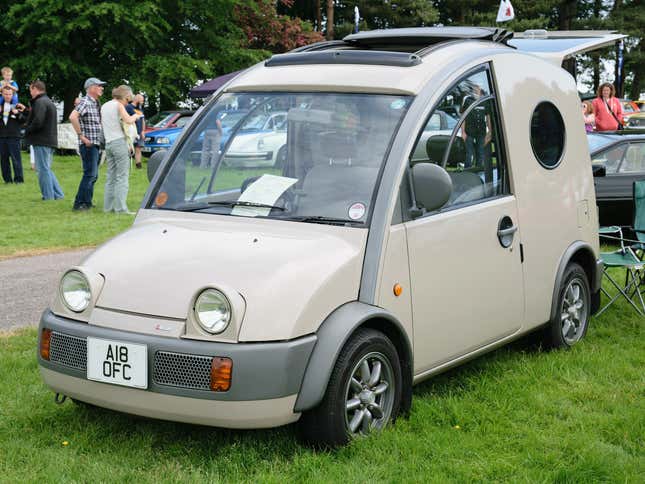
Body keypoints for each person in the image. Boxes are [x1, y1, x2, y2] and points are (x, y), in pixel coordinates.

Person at [101, 85, 142, 214]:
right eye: (127, 100)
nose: (126, 103)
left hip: (109, 143)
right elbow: (128, 120)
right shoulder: (118, 105)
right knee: (122, 177)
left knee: (111, 176)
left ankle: (108, 208)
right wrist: (136, 116)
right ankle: (121, 208)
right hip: (119, 142)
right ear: (125, 97)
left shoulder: (104, 105)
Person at [22, 80, 63, 200]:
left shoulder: (40, 102)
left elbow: (38, 121)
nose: (30, 93)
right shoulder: (47, 101)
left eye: (31, 90)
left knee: (42, 170)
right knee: (46, 168)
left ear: (35, 89)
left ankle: (48, 196)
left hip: (41, 140)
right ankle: (58, 194)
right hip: (48, 139)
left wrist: (27, 130)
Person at [69, 77, 106, 211]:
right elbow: (73, 117)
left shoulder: (95, 102)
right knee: (89, 174)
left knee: (93, 175)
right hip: (88, 144)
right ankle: (79, 204)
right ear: (91, 88)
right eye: (99, 86)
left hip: (95, 144)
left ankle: (87, 202)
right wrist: (81, 136)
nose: (102, 88)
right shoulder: (85, 101)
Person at [461, 84, 492, 168]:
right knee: (469, 154)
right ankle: (467, 171)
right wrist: (463, 132)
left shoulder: (485, 101)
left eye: (477, 88)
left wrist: (490, 131)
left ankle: (479, 172)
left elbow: (488, 117)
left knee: (480, 153)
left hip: (481, 132)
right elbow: (463, 117)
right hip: (469, 132)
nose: (476, 89)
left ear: (480, 89)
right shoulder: (467, 100)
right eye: (474, 88)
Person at [0, 85, 26, 183]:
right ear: (2, 94)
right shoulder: (0, 106)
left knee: (16, 159)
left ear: (13, 95)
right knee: (3, 160)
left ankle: (19, 179)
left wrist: (18, 114)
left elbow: (24, 120)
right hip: (2, 137)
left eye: (10, 94)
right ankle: (7, 180)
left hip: (14, 136)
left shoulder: (18, 106)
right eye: (6, 94)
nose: (7, 96)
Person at [126, 93, 145, 169]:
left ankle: (138, 166)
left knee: (138, 148)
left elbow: (143, 120)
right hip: (131, 132)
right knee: (129, 149)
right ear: (137, 99)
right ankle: (126, 165)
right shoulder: (128, 107)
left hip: (139, 132)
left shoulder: (140, 108)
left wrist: (143, 131)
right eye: (141, 100)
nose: (142, 102)